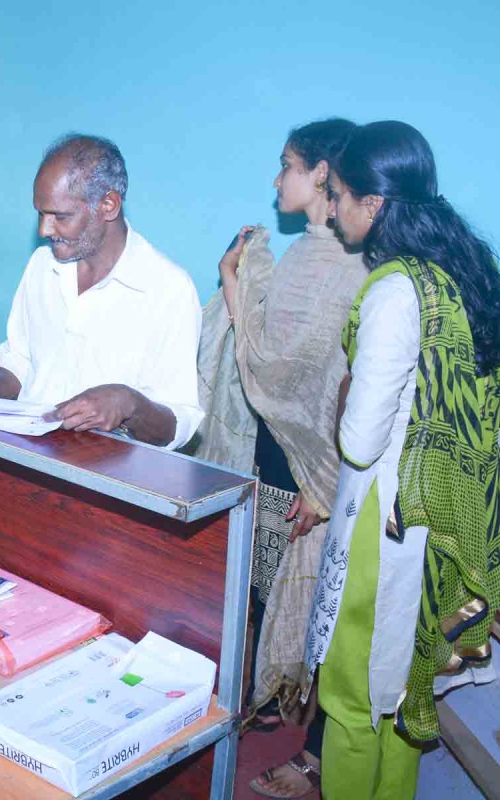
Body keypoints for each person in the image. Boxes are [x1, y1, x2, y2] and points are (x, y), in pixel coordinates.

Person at [302, 121, 500, 799]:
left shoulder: (393, 290)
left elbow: (358, 441)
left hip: (383, 526)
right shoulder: (468, 274)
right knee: (405, 700)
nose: (332, 209)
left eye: (339, 195)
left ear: (375, 203)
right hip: (445, 527)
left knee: (353, 701)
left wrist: (348, 391)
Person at [205, 119, 364, 800]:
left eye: (287, 167)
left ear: (323, 174)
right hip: (277, 452)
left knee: (331, 617)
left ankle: (319, 756)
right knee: (272, 585)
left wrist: (325, 482)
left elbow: (333, 384)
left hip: (330, 468)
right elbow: (268, 355)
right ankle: (275, 696)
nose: (278, 181)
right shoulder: (299, 254)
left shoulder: (355, 267)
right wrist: (235, 281)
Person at [0, 134, 202, 449]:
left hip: (110, 481)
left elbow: (179, 425)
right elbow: (21, 361)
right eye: (40, 214)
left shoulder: (167, 289)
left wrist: (129, 404)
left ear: (108, 205)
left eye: (60, 217)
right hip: (27, 458)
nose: (44, 230)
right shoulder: (42, 266)